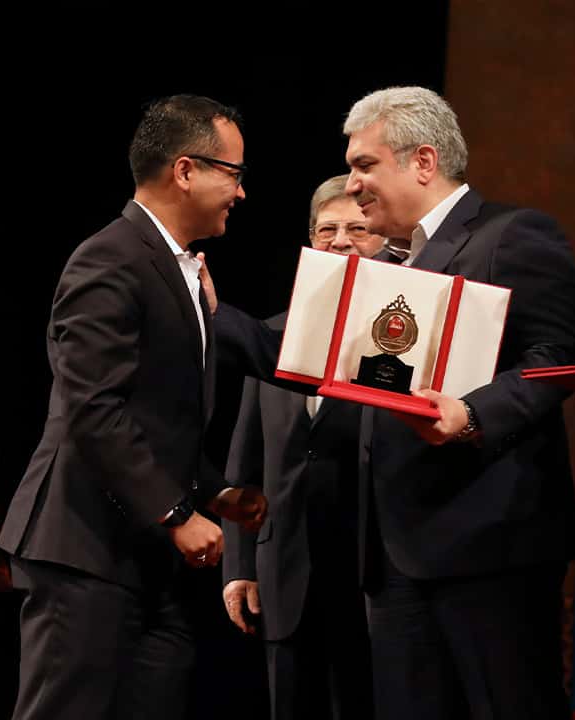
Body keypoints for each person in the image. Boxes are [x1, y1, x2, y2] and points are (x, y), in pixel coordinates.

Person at [213, 86, 575, 719]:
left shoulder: (511, 234)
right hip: (392, 561)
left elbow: (558, 357)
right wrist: (210, 311)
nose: (352, 185)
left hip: (488, 551)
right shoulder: (389, 266)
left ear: (423, 161)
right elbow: (309, 361)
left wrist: (472, 414)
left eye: (365, 165)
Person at [0, 94, 268, 720]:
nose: (241, 192)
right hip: (84, 548)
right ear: (185, 170)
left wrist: (215, 492)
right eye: (234, 173)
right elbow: (93, 409)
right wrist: (175, 513)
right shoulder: (110, 257)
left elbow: (156, 418)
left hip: (144, 560)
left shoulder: (176, 268)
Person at [220, 174, 381, 720]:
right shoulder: (271, 337)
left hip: (370, 576)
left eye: (357, 229)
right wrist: (239, 564)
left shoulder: (401, 342)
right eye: (327, 230)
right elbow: (244, 462)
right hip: (283, 574)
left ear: (383, 238)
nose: (340, 241)